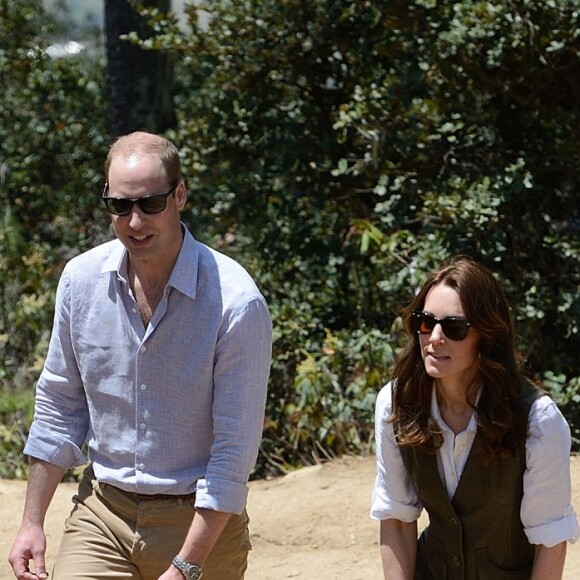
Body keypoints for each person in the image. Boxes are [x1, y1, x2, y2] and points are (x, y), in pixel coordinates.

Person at [8, 132, 272, 580]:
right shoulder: (80, 281)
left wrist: (186, 565)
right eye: (120, 206)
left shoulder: (235, 302)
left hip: (199, 524)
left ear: (179, 195)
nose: (135, 222)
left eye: (150, 204)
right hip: (103, 514)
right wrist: (32, 522)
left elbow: (233, 452)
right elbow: (59, 406)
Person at [370, 257, 579, 579]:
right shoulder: (397, 403)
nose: (435, 337)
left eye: (454, 327)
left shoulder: (538, 420)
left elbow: (550, 541)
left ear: (488, 335)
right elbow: (397, 519)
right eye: (425, 322)